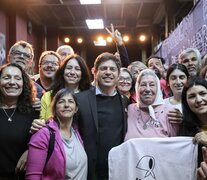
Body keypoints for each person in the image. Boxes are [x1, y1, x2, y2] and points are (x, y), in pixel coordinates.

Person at [26, 88, 87, 179]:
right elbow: (32, 176)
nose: (66, 105)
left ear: (76, 109)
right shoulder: (43, 134)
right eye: (61, 102)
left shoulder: (76, 132)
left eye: (70, 101)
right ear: (54, 108)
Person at [0, 63, 39, 179]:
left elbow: (44, 142)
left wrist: (31, 151)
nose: (12, 82)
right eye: (6, 77)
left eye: (17, 78)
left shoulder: (34, 111)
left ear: (24, 84)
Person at [124, 69, 179, 141]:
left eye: (152, 85)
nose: (147, 89)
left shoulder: (170, 113)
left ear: (158, 88)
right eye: (143, 85)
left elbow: (176, 145)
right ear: (137, 88)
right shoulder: (130, 109)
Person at [40, 54, 91, 120]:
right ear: (62, 71)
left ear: (82, 73)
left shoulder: (90, 96)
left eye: (77, 69)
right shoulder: (48, 96)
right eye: (69, 68)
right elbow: (41, 122)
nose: (72, 72)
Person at [179, 77, 207, 165]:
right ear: (186, 102)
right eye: (192, 96)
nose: (198, 100)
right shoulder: (185, 130)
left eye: (202, 94)